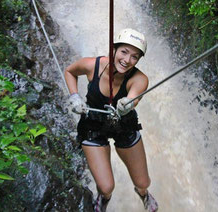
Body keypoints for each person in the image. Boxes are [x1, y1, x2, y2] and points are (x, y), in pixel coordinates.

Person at [64, 28, 158, 212]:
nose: (127, 60)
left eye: (134, 57)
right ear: (113, 49)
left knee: (143, 182)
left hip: (124, 126)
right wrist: (74, 96)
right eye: (124, 52)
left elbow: (135, 96)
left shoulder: (139, 79)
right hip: (93, 125)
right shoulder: (93, 65)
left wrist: (127, 104)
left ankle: (144, 194)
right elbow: (69, 71)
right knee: (107, 186)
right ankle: (104, 197)